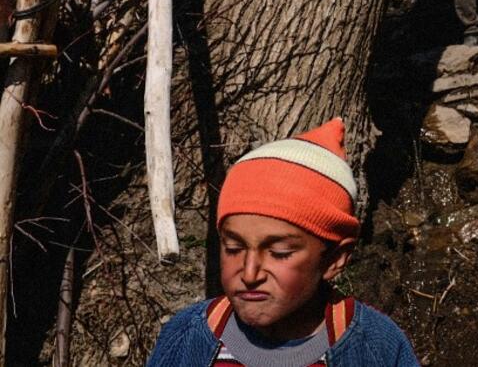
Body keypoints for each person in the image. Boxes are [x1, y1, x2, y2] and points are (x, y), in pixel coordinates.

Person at [147, 119, 420, 366]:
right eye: (233, 248)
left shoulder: (377, 349)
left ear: (335, 258)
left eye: (279, 253)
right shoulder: (185, 338)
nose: (250, 273)